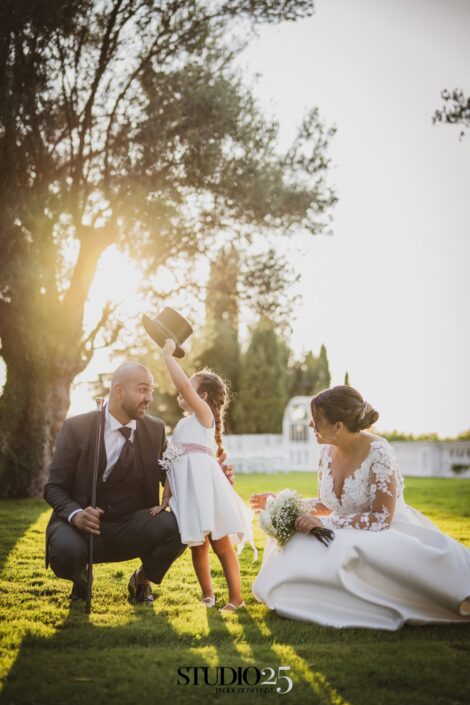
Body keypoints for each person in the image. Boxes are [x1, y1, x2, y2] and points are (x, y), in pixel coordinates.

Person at [251, 385, 470, 630]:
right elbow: (327, 504)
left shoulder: (379, 453)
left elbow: (381, 519)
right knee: (297, 540)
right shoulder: (324, 453)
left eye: (316, 420)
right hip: (348, 525)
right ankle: (303, 599)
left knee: (341, 547)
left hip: (387, 530)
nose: (311, 425)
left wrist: (324, 523)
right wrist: (283, 504)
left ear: (338, 427)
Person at [44, 361, 231, 605]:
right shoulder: (76, 427)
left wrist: (213, 477)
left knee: (181, 523)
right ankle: (81, 578)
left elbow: (172, 472)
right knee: (64, 552)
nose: (149, 398)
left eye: (151, 390)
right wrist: (76, 514)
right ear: (119, 391)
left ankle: (142, 580)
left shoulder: (154, 429)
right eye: (143, 390)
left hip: (131, 526)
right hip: (82, 528)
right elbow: (53, 487)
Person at [155, 339, 254, 612]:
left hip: (207, 491)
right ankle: (208, 595)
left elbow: (183, 386)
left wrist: (168, 357)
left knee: (220, 544)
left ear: (204, 398)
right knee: (197, 546)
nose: (184, 389)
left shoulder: (204, 415)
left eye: (192, 386)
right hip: (188, 492)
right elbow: (172, 463)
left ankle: (236, 598)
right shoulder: (182, 424)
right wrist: (166, 495)